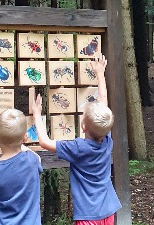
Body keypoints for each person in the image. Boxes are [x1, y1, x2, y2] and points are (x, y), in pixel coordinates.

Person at [32, 53, 122, 225]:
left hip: (88, 215)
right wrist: (100, 73)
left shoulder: (78, 147)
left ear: (83, 127)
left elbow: (44, 142)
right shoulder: (106, 139)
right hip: (108, 210)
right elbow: (103, 101)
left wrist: (37, 114)